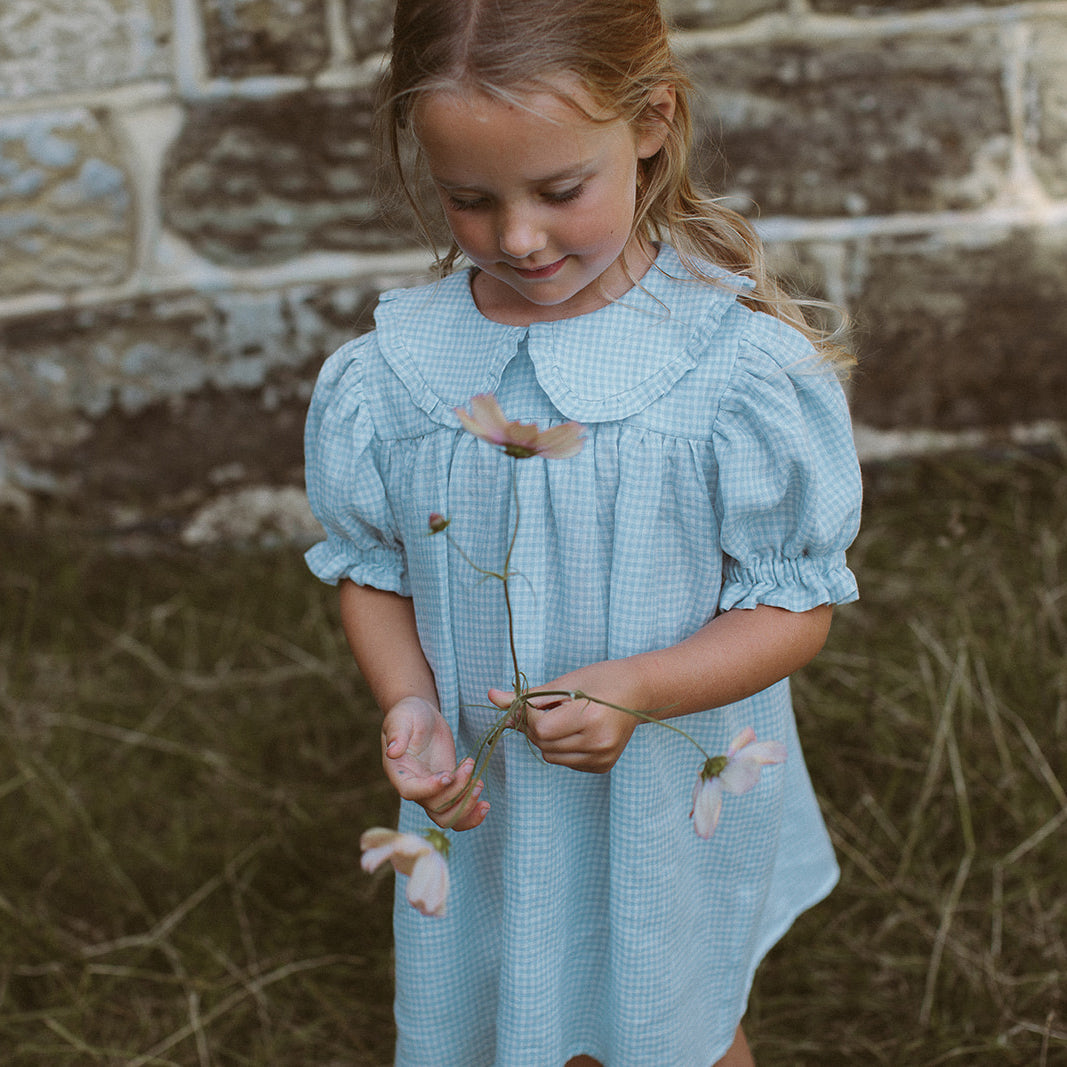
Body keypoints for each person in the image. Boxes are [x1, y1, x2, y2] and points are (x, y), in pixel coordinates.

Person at [304, 1, 862, 1063]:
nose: (517, 237)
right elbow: (373, 569)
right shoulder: (393, 376)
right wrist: (409, 698)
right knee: (513, 1010)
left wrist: (639, 688)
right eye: (468, 199)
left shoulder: (728, 372)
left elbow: (793, 606)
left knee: (668, 1019)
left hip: (657, 777)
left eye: (559, 191)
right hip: (490, 795)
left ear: (649, 123)